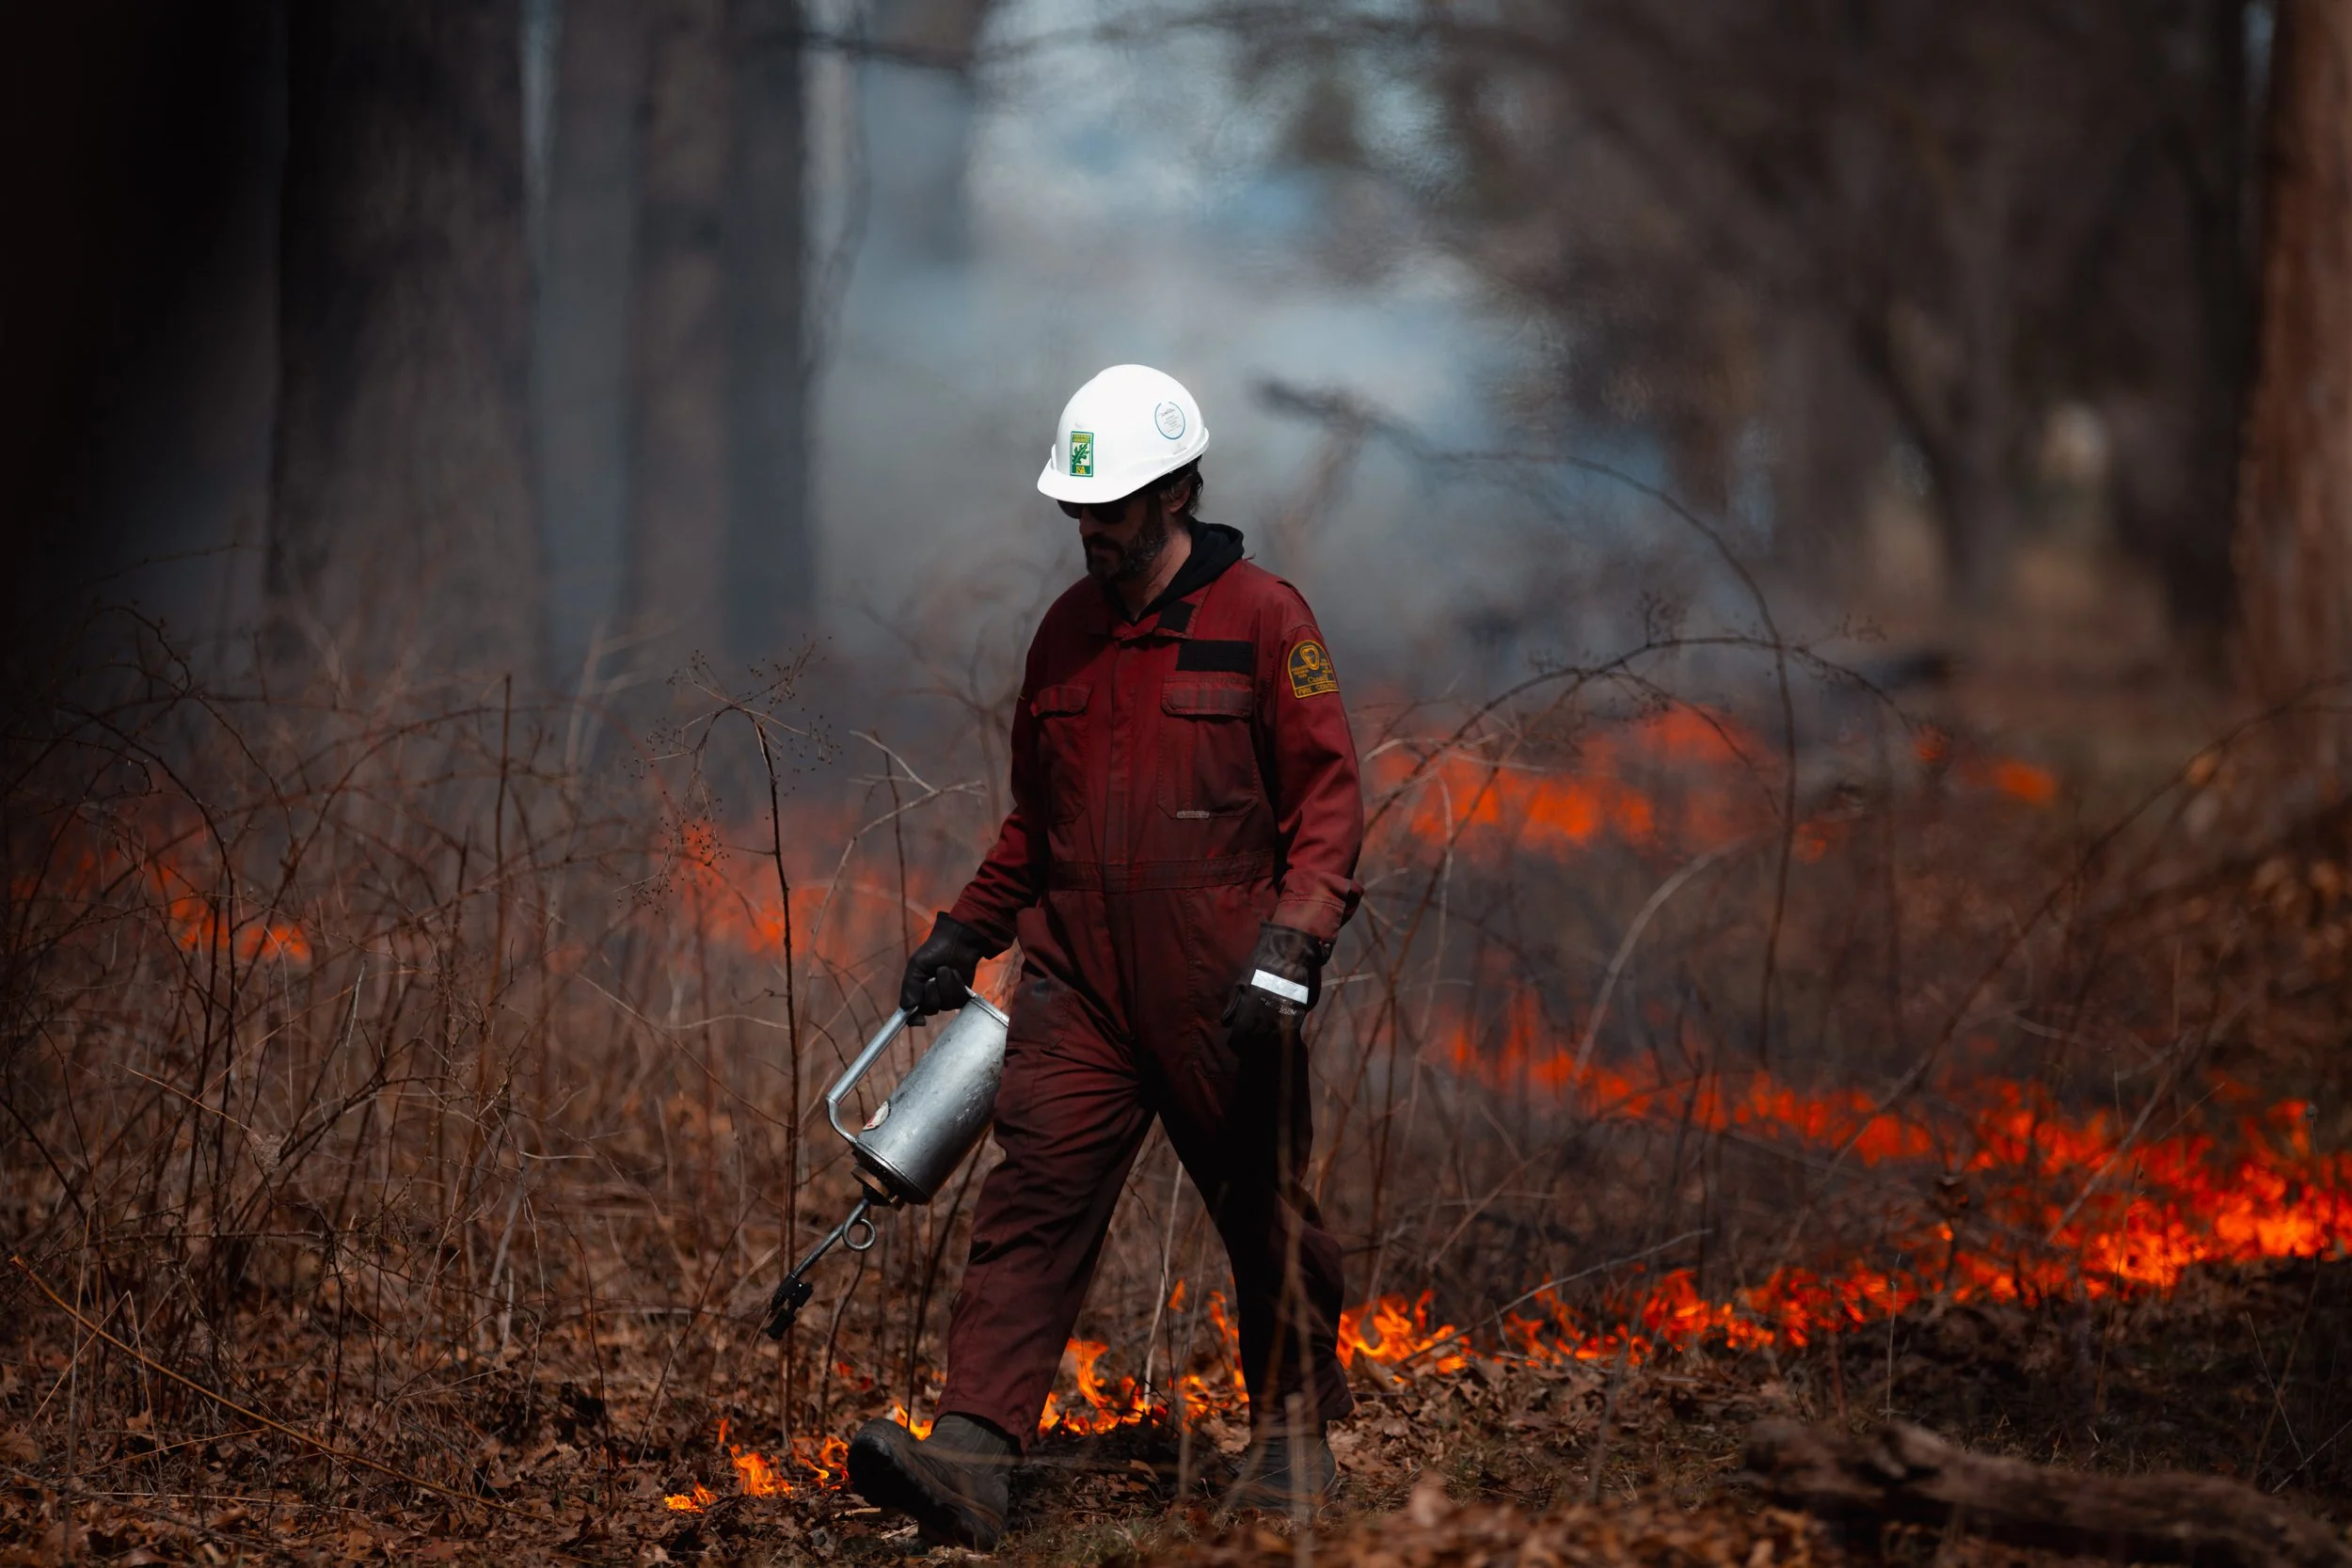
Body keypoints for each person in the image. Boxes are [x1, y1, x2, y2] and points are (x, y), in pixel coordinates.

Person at [846, 364, 1366, 1547]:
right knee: (1030, 1197)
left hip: (1222, 984)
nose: (1091, 529)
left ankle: (1290, 1443)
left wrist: (1290, 945)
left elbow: (1328, 803)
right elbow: (1038, 819)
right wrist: (966, 928)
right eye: (1078, 509)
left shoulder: (1265, 619)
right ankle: (972, 1450)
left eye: (1114, 508)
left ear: (1178, 490)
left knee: (1264, 1211)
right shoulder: (1064, 635)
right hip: (1077, 981)